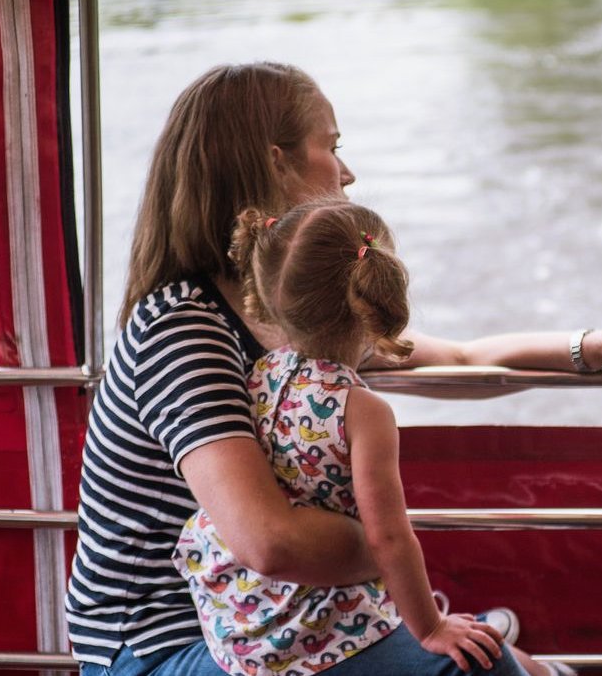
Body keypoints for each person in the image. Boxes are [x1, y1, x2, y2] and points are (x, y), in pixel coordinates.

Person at [65, 62, 602, 675]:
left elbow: (462, 362)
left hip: (277, 616)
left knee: (494, 659)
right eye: (332, 146)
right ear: (274, 159)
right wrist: (400, 554)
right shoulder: (183, 329)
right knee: (476, 668)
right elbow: (270, 542)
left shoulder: (289, 314)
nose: (348, 171)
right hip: (163, 643)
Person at [175, 198, 529, 676]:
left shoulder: (258, 371)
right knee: (487, 660)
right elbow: (388, 537)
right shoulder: (363, 412)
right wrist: (431, 629)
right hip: (309, 629)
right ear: (374, 301)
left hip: (240, 619)